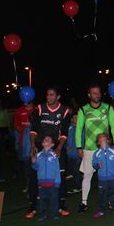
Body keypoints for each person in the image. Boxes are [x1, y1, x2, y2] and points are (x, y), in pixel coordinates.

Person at [75, 85, 114, 213]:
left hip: (105, 148)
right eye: (94, 93)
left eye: (98, 93)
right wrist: (79, 147)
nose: (97, 95)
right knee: (87, 175)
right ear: (89, 95)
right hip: (89, 148)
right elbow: (79, 130)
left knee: (109, 177)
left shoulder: (108, 108)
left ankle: (110, 201)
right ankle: (84, 203)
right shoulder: (83, 110)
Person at [29, 87, 72, 216]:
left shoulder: (65, 111)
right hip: (40, 146)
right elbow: (34, 129)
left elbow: (65, 132)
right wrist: (33, 146)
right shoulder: (40, 108)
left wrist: (59, 148)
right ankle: (33, 207)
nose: (49, 97)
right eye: (47, 95)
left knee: (60, 177)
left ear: (58, 97)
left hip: (57, 147)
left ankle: (60, 206)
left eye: (52, 95)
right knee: (34, 176)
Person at [92, 133, 114, 218]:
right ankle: (101, 210)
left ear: (108, 141)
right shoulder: (97, 153)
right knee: (102, 194)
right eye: (101, 140)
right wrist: (97, 165)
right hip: (102, 178)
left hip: (113, 177)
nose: (103, 141)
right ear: (98, 143)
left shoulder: (113, 151)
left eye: (105, 139)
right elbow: (93, 164)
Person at [32, 135, 61, 221]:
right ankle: (42, 214)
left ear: (52, 144)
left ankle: (54, 214)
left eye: (48, 139)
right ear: (42, 143)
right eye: (45, 139)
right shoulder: (39, 155)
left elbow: (57, 169)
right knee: (42, 200)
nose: (46, 139)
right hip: (41, 182)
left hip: (52, 182)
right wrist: (33, 163)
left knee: (54, 199)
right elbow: (35, 168)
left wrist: (57, 182)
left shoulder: (54, 155)